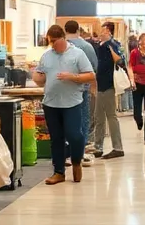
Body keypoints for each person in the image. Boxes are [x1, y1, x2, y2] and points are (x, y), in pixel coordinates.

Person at [31, 24, 95, 184]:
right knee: (56, 138)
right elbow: (41, 76)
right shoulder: (46, 56)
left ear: (63, 38)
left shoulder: (77, 54)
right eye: (50, 41)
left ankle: (76, 161)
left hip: (72, 102)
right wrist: (37, 77)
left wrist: (72, 77)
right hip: (51, 103)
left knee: (75, 135)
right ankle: (58, 171)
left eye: (55, 41)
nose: (52, 44)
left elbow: (90, 75)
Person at [64, 20, 98, 167]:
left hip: (63, 89)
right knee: (83, 119)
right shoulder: (86, 46)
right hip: (82, 88)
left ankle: (66, 153)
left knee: (65, 119)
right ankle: (80, 152)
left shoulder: (59, 46)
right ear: (78, 29)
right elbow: (94, 67)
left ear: (65, 30)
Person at [91, 21, 124, 160]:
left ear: (109, 32)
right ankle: (98, 146)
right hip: (101, 85)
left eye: (103, 31)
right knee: (99, 116)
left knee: (111, 116)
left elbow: (120, 61)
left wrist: (110, 48)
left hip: (109, 85)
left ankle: (117, 147)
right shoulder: (102, 46)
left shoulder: (112, 45)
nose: (101, 33)